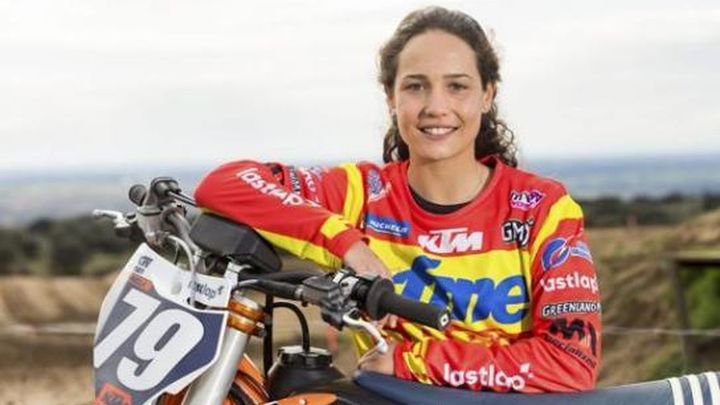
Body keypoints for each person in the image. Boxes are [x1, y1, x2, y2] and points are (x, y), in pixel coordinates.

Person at [194, 6, 601, 393]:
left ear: (487, 95)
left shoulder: (542, 207)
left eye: (457, 86)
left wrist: (410, 362)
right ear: (391, 97)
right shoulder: (360, 194)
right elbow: (225, 183)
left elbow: (571, 362)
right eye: (415, 86)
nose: (436, 107)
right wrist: (347, 243)